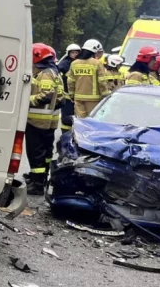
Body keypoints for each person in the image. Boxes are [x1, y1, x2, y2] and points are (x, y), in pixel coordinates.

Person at [26, 43, 60, 196]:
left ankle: (37, 184)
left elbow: (46, 96)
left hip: (37, 120)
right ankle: (39, 178)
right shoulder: (54, 72)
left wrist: (27, 99)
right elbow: (60, 99)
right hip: (49, 121)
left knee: (36, 153)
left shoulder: (45, 74)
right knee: (45, 153)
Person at [67, 39, 108, 118]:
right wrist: (105, 96)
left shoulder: (74, 63)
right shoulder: (97, 63)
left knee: (81, 122)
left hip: (78, 98)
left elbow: (70, 81)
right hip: (94, 99)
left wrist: (71, 95)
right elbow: (102, 81)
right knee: (91, 122)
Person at [56, 43, 81, 133]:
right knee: (67, 118)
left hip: (78, 95)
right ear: (68, 53)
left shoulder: (80, 63)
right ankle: (65, 134)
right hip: (67, 96)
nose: (75, 54)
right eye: (73, 52)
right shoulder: (65, 64)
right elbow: (57, 70)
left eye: (76, 52)